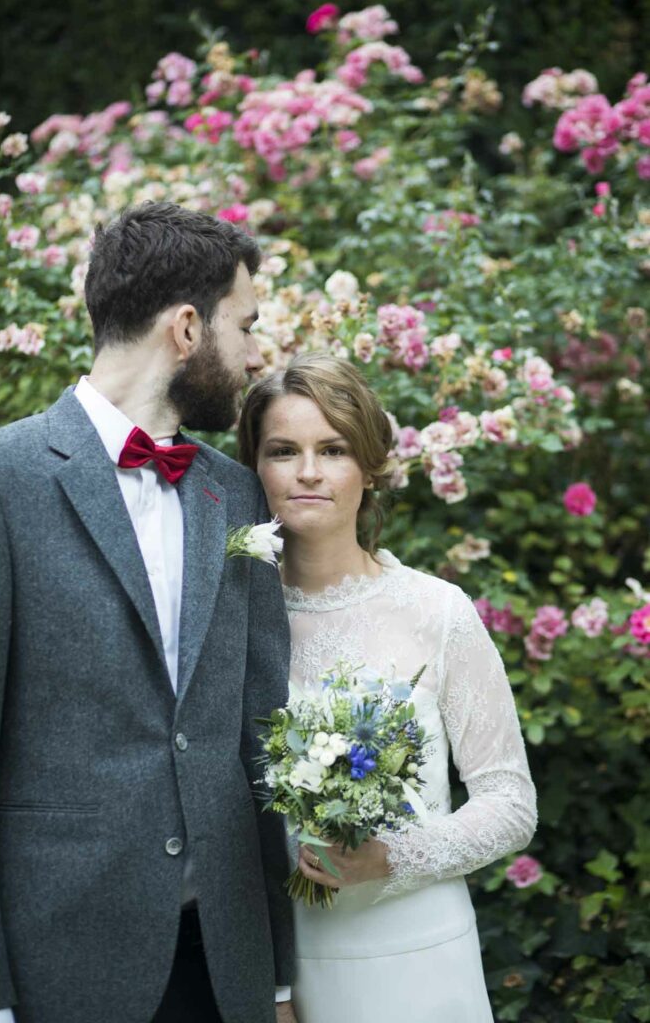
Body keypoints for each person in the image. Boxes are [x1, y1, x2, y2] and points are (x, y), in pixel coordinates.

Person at [0, 202, 297, 1023]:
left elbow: (262, 730)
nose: (256, 354)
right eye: (245, 325)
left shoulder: (237, 493)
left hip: (225, 962)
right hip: (60, 968)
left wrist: (281, 973)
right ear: (187, 328)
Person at [238, 352, 538, 1023]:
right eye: (283, 451)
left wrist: (389, 857)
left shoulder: (437, 612)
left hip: (418, 956)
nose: (308, 472)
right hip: (281, 969)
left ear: (369, 466)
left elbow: (510, 801)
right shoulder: (227, 622)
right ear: (254, 466)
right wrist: (272, 991)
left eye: (334, 449)